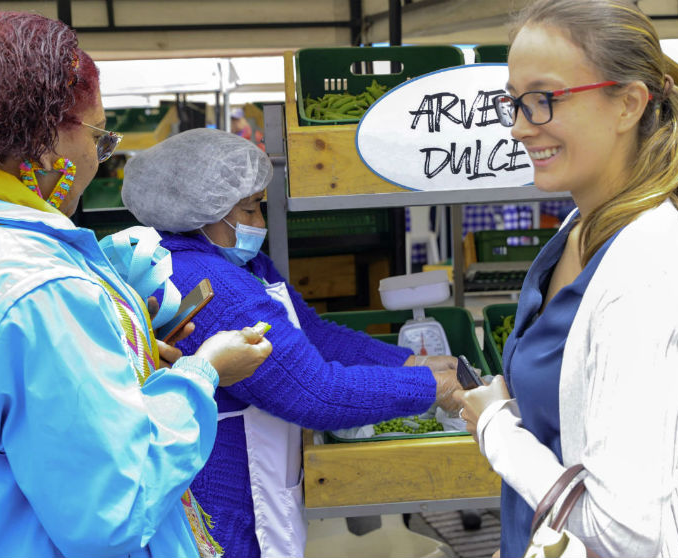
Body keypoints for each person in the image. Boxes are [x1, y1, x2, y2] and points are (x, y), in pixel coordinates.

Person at [0, 12, 272, 558]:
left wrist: (119, 366)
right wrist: (202, 373)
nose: (98, 162)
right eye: (99, 137)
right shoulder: (40, 286)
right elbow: (112, 511)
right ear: (45, 135)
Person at [454, 1, 678, 557]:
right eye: (514, 101)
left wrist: (496, 429)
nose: (519, 126)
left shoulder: (644, 268)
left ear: (627, 103)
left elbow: (622, 528)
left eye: (543, 100)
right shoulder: (583, 226)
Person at [120, 127, 464, 558]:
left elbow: (313, 333)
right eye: (248, 210)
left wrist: (412, 362)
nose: (260, 224)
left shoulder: (218, 261)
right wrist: (435, 389)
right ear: (201, 212)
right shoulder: (222, 290)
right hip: (226, 493)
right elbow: (314, 392)